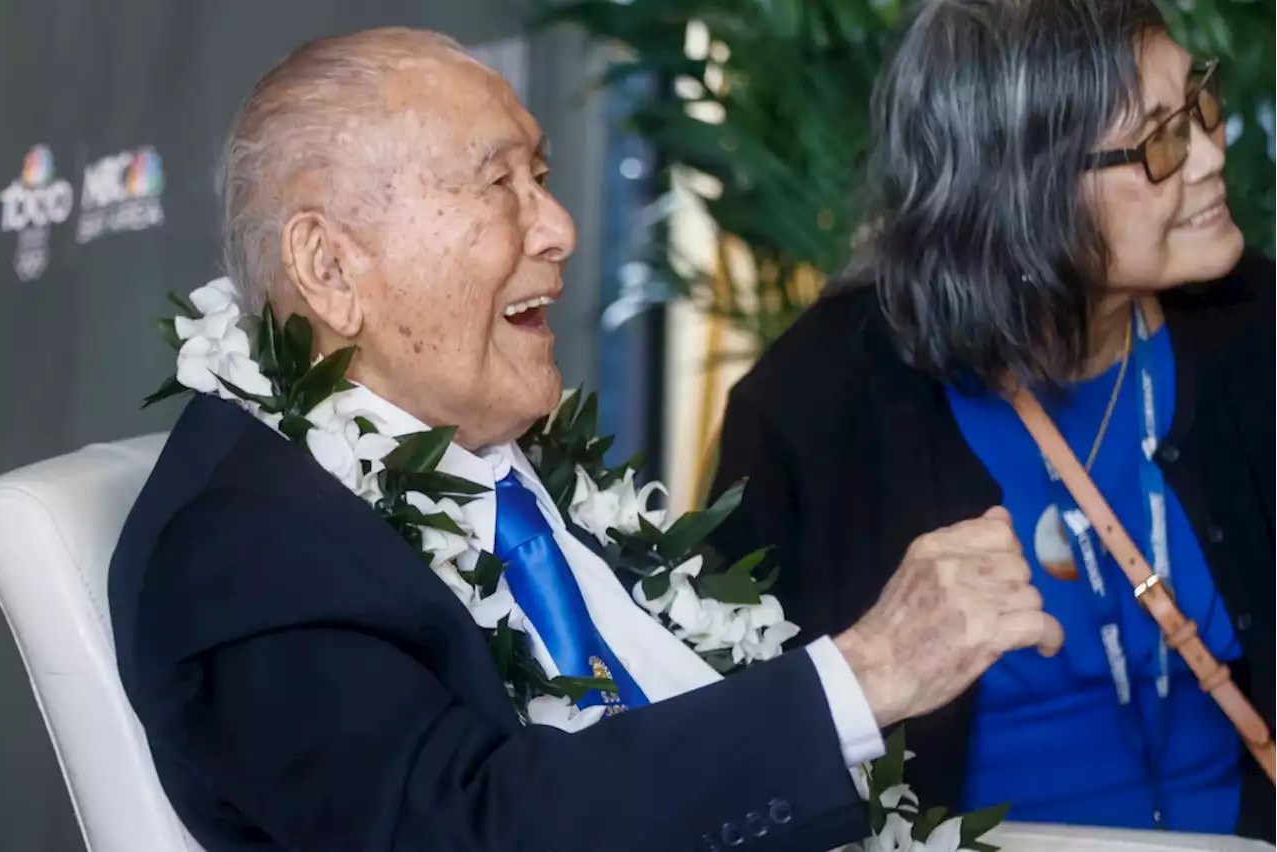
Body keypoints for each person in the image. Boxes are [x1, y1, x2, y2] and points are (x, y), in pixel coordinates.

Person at [107, 28, 1061, 852]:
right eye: (498, 185)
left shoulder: (508, 463)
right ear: (329, 266)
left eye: (543, 177)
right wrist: (866, 678)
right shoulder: (243, 553)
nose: (558, 227)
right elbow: (468, 834)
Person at [712, 0, 1277, 842]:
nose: (1207, 154)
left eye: (1198, 103)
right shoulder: (814, 409)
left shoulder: (1255, 331)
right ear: (1028, 189)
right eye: (1160, 140)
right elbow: (739, 747)